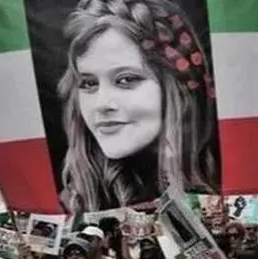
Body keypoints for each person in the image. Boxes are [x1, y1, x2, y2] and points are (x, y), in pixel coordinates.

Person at [57, 0, 219, 212]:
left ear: (177, 88)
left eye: (126, 79)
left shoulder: (236, 187)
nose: (101, 104)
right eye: (88, 83)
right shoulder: (69, 204)